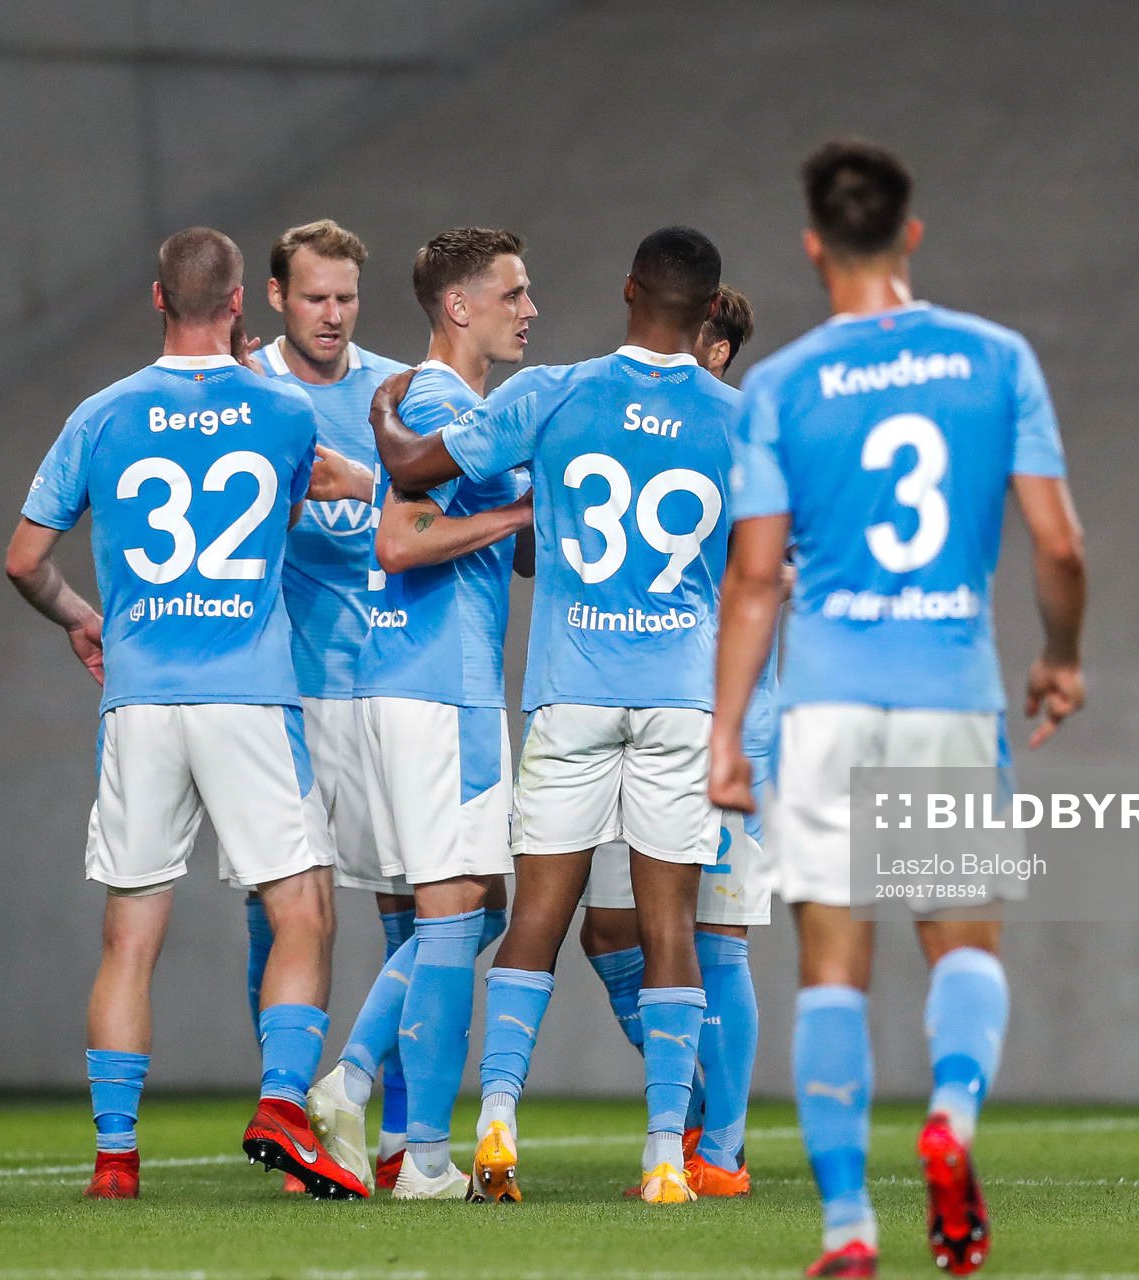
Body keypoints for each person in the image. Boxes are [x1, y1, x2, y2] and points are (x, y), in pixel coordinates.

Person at [708, 140, 1087, 1276]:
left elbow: (756, 577)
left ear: (814, 245)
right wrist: (1062, 655)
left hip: (823, 704)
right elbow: (1060, 543)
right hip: (949, 694)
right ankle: (952, 1122)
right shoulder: (996, 359)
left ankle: (848, 1229)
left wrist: (728, 734)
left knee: (832, 965)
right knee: (961, 941)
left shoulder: (778, 386)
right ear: (910, 235)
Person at [369, 226, 740, 1205]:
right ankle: (667, 1151)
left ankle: (496, 1120)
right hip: (678, 697)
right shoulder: (742, 420)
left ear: (627, 291)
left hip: (571, 688)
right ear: (710, 313)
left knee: (535, 913)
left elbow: (412, 463)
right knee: (670, 924)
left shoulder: (551, 392)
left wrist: (379, 406)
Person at [3, 226, 373, 1202]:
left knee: (130, 933)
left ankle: (117, 1158)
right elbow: (316, 499)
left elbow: (23, 559)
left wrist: (84, 617)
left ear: (156, 299)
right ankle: (284, 1103)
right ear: (243, 301)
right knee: (304, 909)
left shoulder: (104, 412)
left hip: (141, 698)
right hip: (249, 693)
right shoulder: (287, 410)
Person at [306, 227, 534, 1201]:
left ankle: (356, 1078)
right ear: (460, 306)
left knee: (475, 907)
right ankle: (421, 1154)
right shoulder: (440, 402)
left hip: (405, 681)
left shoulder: (433, 406)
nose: (530, 308)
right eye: (514, 292)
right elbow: (404, 540)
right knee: (459, 909)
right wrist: (527, 516)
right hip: (441, 685)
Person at [576, 285, 769, 1198]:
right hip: (643, 716)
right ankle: (693, 1099)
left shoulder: (737, 436)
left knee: (717, 934)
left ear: (716, 349)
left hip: (733, 720)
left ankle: (718, 1151)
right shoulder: (644, 431)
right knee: (610, 928)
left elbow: (773, 580)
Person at [235, 219, 415, 1194]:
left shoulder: (391, 392)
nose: (334, 314)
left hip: (382, 686)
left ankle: (391, 1139)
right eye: (314, 297)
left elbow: (446, 508)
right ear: (276, 295)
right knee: (280, 916)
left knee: (410, 915)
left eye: (346, 296)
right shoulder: (244, 396)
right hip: (276, 698)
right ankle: (293, 1110)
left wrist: (370, 477)